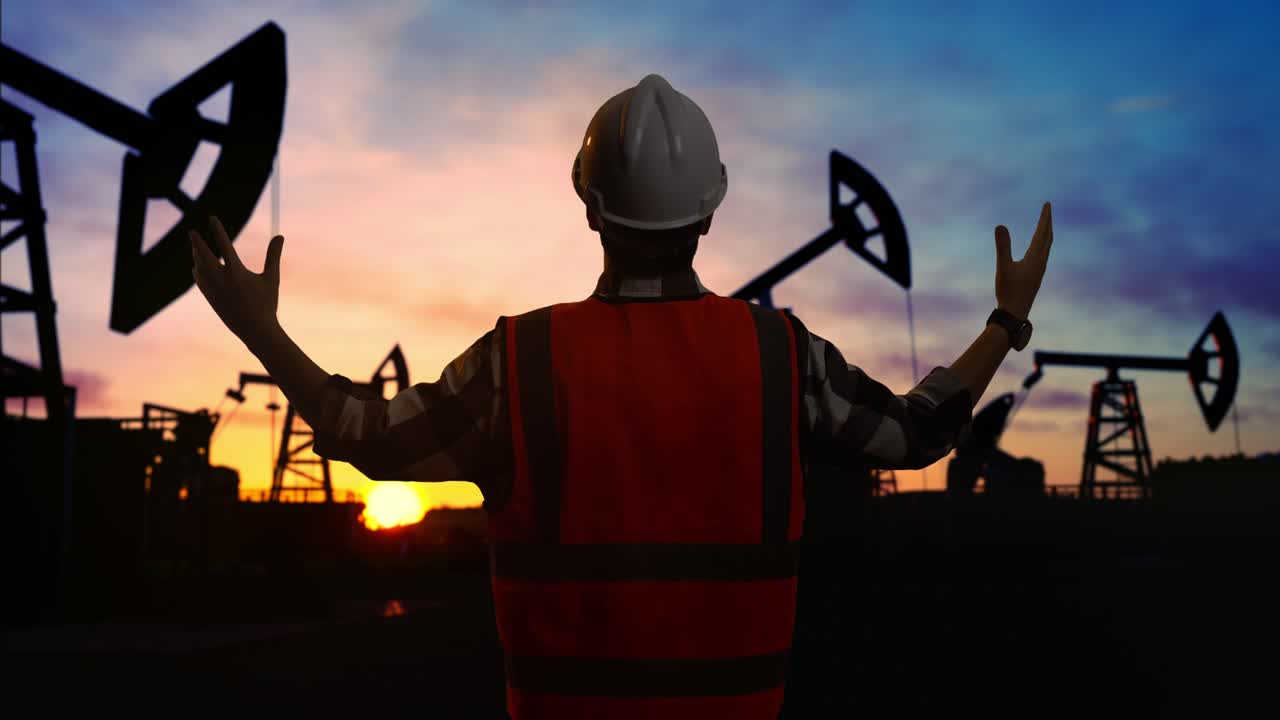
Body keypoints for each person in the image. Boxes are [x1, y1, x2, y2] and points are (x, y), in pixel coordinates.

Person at [189, 73, 1054, 720]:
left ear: (590, 207)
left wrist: (261, 332)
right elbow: (917, 433)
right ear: (710, 212)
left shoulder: (518, 360)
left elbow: (366, 436)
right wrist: (1005, 322)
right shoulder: (780, 354)